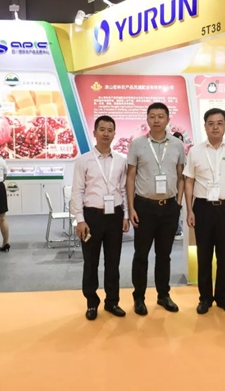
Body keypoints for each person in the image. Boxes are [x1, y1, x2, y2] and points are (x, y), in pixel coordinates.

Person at [184, 108, 225, 315]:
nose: (215, 127)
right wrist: (189, 209)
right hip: (202, 207)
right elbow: (189, 181)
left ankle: (224, 298)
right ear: (205, 126)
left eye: (219, 123)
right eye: (210, 123)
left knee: (224, 254)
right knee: (203, 255)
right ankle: (205, 298)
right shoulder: (195, 151)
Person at [126, 102, 185, 316]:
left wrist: (178, 203)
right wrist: (131, 208)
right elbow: (130, 177)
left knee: (164, 255)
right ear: (147, 119)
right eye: (152, 116)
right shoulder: (137, 144)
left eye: (161, 116)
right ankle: (139, 297)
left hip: (169, 207)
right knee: (141, 255)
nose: (156, 120)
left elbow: (181, 176)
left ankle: (163, 295)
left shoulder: (177, 145)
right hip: (144, 206)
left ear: (168, 119)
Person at [71, 115, 130, 321]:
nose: (106, 133)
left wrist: (126, 216)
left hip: (115, 215)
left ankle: (112, 301)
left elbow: (124, 189)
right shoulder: (83, 160)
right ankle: (91, 303)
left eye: (110, 130)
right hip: (91, 217)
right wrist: (80, 219)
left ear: (114, 134)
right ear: (94, 132)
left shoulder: (121, 161)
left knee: (113, 262)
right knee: (91, 263)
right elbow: (77, 191)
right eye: (102, 129)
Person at [172, 131, 185, 241]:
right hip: (171, 186)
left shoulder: (183, 154)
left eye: (181, 140)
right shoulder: (170, 152)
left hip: (180, 186)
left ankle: (178, 230)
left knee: (178, 208)